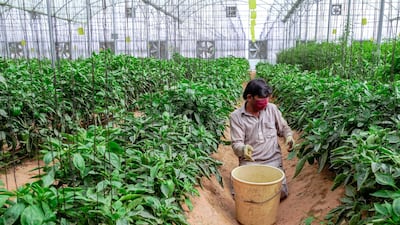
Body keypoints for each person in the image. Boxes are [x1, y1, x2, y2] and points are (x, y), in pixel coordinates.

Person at [229, 78, 294, 200]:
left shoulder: (272, 109)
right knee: (241, 194)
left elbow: (284, 128)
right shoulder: (236, 117)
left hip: (272, 161)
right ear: (249, 97)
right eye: (261, 98)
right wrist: (243, 149)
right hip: (250, 162)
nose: (265, 102)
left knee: (280, 193)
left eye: (267, 98)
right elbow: (236, 144)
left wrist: (289, 136)